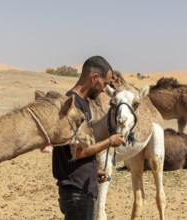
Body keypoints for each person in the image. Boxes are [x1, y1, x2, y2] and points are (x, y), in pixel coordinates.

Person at [53, 55, 126, 220]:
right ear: (94, 78)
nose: (103, 90)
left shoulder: (82, 104)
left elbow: (77, 149)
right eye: (104, 84)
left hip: (82, 188)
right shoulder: (72, 105)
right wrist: (109, 142)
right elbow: (76, 153)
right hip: (77, 192)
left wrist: (93, 171)